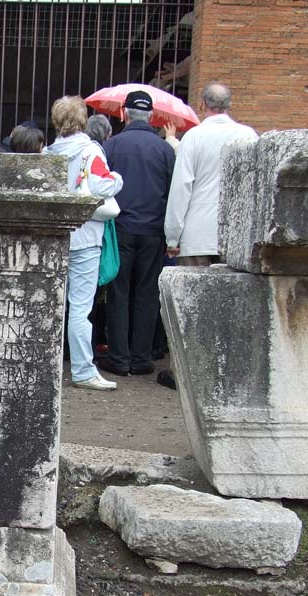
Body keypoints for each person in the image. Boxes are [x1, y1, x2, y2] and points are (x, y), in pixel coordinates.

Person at [45, 96, 123, 392]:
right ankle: (82, 370)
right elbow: (104, 185)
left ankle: (46, 366)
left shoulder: (47, 153)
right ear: (82, 120)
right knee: (80, 308)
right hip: (86, 236)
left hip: (54, 236)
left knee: (51, 305)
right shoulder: (91, 151)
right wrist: (117, 178)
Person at [101, 90, 176, 378]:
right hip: (153, 230)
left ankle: (119, 358)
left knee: (118, 293)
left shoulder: (112, 146)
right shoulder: (165, 150)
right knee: (147, 293)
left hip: (120, 228)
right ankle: (141, 358)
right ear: (152, 115)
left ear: (124, 113)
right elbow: (171, 190)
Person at [164, 83, 256, 267]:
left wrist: (172, 237)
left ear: (202, 105)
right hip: (236, 235)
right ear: (230, 105)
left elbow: (181, 188)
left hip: (197, 236)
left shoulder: (192, 137)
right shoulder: (249, 136)